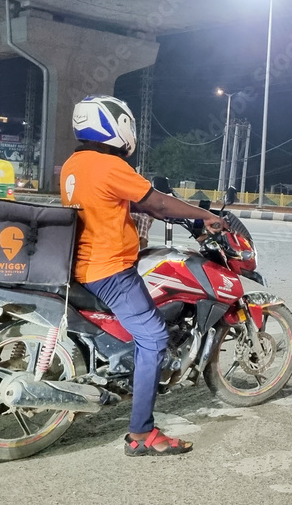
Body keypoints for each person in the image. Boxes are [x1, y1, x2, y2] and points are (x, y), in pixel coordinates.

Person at [61, 95, 226, 456]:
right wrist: (205, 215)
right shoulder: (109, 165)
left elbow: (137, 202)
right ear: (115, 125)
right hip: (110, 270)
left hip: (82, 266)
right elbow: (158, 201)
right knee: (153, 337)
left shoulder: (75, 163)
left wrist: (170, 212)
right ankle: (141, 433)